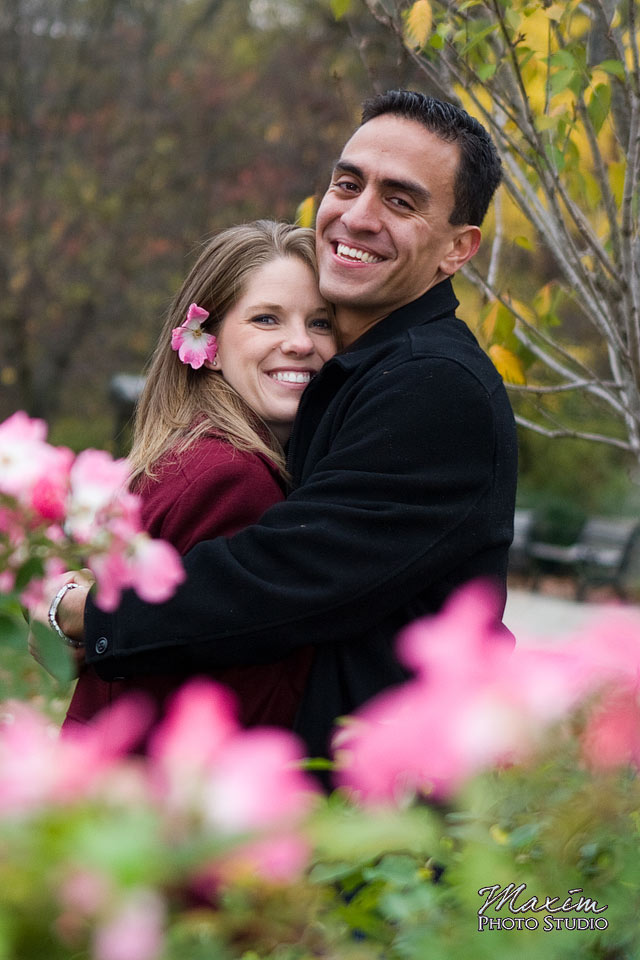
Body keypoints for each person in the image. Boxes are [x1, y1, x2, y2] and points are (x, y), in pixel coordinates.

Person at [49, 89, 518, 760]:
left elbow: (283, 577)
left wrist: (86, 613)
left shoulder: (433, 384)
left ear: (458, 248)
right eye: (348, 184)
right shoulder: (356, 377)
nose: (358, 217)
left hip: (384, 804)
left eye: (400, 200)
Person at [61, 219, 336, 734]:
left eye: (320, 323)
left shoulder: (192, 453)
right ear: (205, 342)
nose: (300, 343)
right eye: (267, 319)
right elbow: (229, 710)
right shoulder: (232, 479)